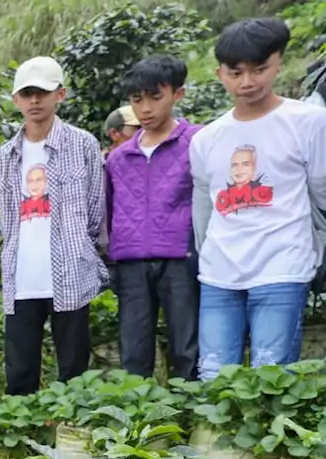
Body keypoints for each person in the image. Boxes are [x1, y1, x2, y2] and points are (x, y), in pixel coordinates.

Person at [190, 17, 326, 379]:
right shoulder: (206, 138)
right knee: (213, 376)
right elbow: (204, 207)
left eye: (259, 69)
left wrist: (316, 252)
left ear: (278, 62)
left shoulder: (309, 122)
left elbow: (321, 193)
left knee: (272, 375)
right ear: (219, 72)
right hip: (219, 275)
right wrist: (208, 256)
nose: (247, 82)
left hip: (283, 268)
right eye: (235, 73)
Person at [0, 56, 108, 395]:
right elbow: (7, 218)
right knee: (19, 371)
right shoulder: (4, 156)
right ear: (15, 100)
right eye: (26, 94)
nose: (34, 101)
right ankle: (24, 439)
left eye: (42, 92)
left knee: (73, 369)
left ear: (60, 94)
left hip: (71, 270)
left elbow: (95, 210)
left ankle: (73, 434)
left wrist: (79, 249)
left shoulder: (83, 144)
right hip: (22, 274)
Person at [106, 56, 202, 380]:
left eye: (155, 97)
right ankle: (137, 425)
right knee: (133, 353)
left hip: (181, 259)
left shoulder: (198, 142)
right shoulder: (119, 157)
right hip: (131, 262)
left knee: (187, 350)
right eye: (137, 100)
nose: (145, 108)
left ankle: (189, 422)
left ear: (178, 94)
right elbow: (110, 209)